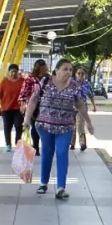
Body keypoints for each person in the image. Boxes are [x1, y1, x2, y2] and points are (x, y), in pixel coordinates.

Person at [23, 59, 95, 199]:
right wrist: (27, 119)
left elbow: (80, 105)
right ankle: (43, 183)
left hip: (66, 127)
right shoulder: (45, 82)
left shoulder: (74, 86)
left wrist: (88, 122)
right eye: (65, 69)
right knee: (47, 153)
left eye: (70, 69)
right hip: (45, 126)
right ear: (56, 70)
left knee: (62, 153)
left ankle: (61, 187)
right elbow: (33, 100)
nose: (68, 72)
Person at [19, 59, 49, 156]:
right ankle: (35, 146)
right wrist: (23, 104)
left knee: (45, 127)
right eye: (44, 67)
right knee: (35, 126)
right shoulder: (30, 79)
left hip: (46, 106)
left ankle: (45, 145)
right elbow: (24, 92)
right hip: (34, 106)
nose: (46, 68)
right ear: (39, 68)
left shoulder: (49, 78)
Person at [0, 64, 24, 152]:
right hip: (6, 108)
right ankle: (8, 144)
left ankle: (18, 142)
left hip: (18, 109)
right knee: (7, 127)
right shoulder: (4, 82)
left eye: (15, 72)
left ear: (18, 72)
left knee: (19, 126)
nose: (14, 74)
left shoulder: (23, 81)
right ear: (9, 72)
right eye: (12, 72)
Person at [71, 66, 97, 151]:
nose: (81, 75)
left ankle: (82, 143)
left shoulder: (87, 84)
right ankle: (72, 144)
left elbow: (91, 95)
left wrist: (94, 106)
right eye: (79, 73)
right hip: (71, 107)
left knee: (80, 126)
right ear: (75, 74)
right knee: (72, 126)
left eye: (82, 73)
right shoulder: (71, 83)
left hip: (82, 109)